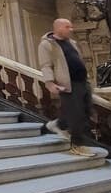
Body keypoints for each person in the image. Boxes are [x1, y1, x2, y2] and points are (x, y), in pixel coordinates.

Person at [38, 18, 95, 156]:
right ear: (58, 28)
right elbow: (46, 65)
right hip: (68, 84)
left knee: (87, 112)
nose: (71, 29)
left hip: (82, 82)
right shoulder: (47, 45)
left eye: (71, 27)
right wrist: (49, 83)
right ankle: (77, 145)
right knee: (77, 115)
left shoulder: (72, 43)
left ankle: (58, 124)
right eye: (67, 27)